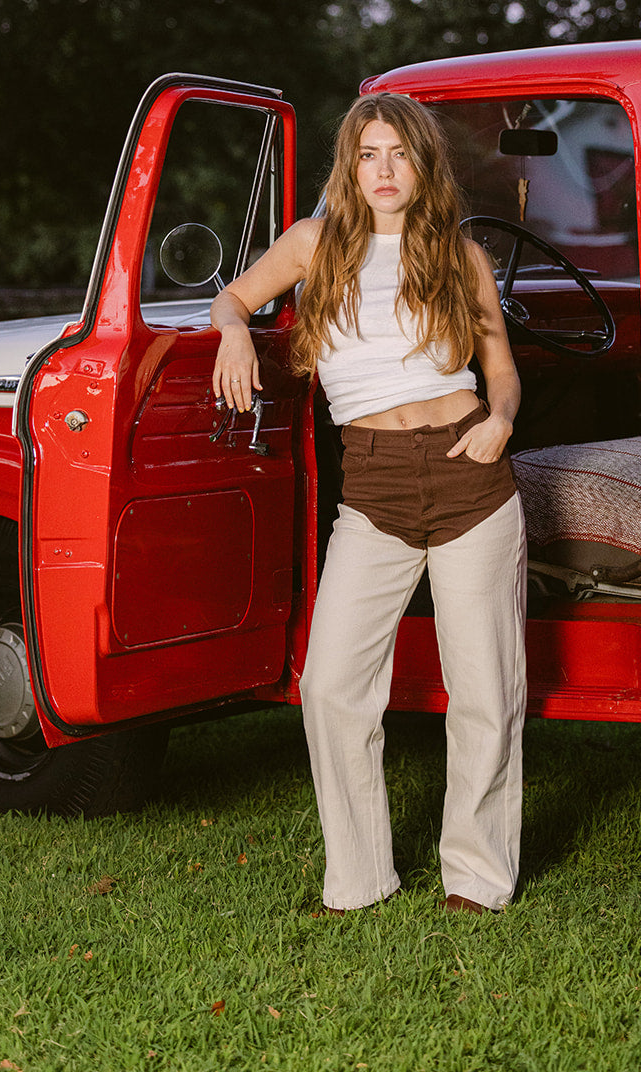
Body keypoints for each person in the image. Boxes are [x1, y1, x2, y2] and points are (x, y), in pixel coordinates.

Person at [210, 91, 526, 914]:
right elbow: (233, 298)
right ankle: (358, 878)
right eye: (367, 155)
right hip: (375, 483)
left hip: (470, 476)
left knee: (485, 690)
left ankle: (478, 876)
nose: (384, 171)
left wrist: (499, 421)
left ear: (424, 164)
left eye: (399, 153)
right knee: (331, 685)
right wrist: (236, 332)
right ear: (350, 168)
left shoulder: (462, 256)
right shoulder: (315, 245)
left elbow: (500, 369)